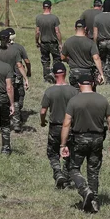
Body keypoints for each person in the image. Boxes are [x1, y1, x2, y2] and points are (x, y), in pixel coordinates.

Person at [60, 74, 110, 213]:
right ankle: (94, 203)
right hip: (97, 139)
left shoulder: (74, 101)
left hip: (79, 139)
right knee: (93, 171)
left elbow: (66, 124)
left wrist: (63, 145)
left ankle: (84, 190)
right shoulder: (102, 100)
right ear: (92, 83)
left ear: (79, 84)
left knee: (72, 168)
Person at [40, 62, 79, 190]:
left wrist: (42, 121)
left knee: (52, 153)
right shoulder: (74, 91)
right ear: (65, 73)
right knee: (70, 153)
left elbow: (43, 111)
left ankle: (57, 173)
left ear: (54, 75)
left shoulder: (49, 91)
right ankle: (66, 180)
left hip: (55, 127)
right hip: (71, 127)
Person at [0, 29, 28, 132]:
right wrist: (25, 78)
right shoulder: (14, 51)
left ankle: (4, 124)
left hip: (0, 80)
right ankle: (16, 123)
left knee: (3, 101)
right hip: (12, 78)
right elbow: (20, 65)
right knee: (15, 100)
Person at [62, 19, 105, 87]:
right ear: (85, 28)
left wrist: (69, 60)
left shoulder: (68, 41)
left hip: (74, 72)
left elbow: (62, 57)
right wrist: (101, 73)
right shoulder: (90, 43)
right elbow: (96, 58)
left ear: (75, 28)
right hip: (87, 73)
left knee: (75, 94)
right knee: (88, 95)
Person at [35, 0, 62, 83]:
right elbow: (57, 32)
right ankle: (56, 76)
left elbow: (37, 32)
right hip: (53, 43)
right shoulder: (54, 18)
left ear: (43, 7)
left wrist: (37, 41)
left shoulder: (39, 18)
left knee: (45, 60)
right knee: (56, 59)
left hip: (43, 43)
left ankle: (46, 78)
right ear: (50, 7)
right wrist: (60, 43)